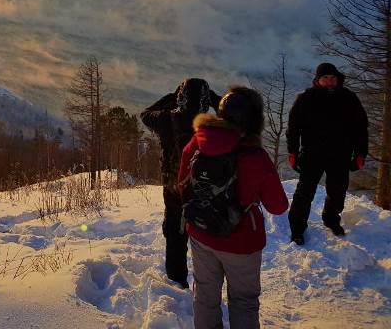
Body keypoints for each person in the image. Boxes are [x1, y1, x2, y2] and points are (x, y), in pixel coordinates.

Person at [178, 87, 288, 329]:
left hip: (200, 233)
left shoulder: (197, 142)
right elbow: (278, 206)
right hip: (242, 243)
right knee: (243, 301)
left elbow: (182, 184)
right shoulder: (255, 156)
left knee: (205, 297)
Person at [140, 78, 220, 288]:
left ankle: (177, 281)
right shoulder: (213, 126)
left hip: (174, 189)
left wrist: (171, 98)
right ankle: (206, 287)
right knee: (204, 238)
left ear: (181, 97)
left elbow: (146, 114)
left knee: (175, 234)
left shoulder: (166, 120)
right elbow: (236, 117)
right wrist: (213, 99)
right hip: (204, 191)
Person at [287, 62, 369, 245]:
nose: (330, 81)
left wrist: (361, 153)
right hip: (311, 155)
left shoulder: (349, 98)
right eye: (326, 78)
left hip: (340, 155)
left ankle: (331, 219)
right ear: (318, 80)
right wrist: (292, 151)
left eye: (333, 78)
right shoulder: (306, 99)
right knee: (304, 193)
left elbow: (361, 128)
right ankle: (297, 228)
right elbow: (293, 128)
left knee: (337, 191)